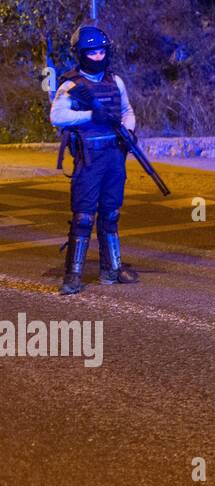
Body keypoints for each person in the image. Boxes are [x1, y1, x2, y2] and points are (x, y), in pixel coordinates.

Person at [49, 25, 138, 295]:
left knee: (111, 213)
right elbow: (58, 117)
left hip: (114, 155)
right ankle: (73, 274)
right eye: (92, 53)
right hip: (88, 158)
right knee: (85, 216)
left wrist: (130, 131)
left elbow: (127, 110)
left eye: (101, 52)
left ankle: (111, 269)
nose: (98, 57)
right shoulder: (71, 84)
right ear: (81, 54)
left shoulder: (115, 81)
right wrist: (90, 116)